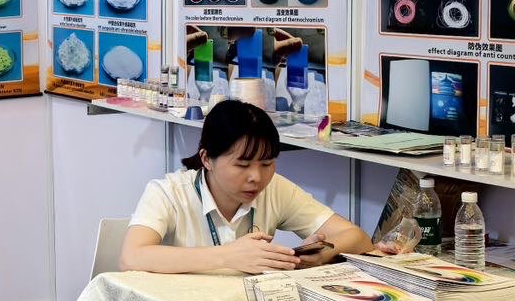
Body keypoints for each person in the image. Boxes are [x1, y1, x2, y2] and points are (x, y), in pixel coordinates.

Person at [119, 99, 373, 274]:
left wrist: (322, 254)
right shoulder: (168, 193)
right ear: (207, 159)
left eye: (267, 163)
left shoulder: (275, 189)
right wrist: (227, 256)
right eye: (242, 165)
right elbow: (131, 257)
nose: (256, 177)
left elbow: (358, 238)